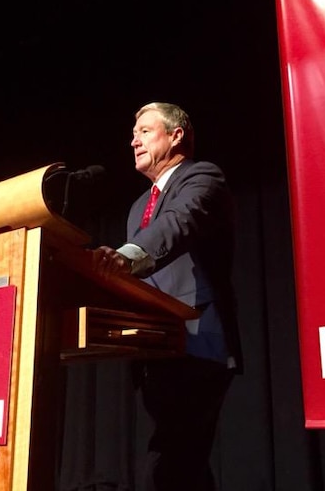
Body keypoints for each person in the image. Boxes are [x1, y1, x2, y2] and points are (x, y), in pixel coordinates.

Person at [91, 102, 243, 491]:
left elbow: (179, 223)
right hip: (155, 349)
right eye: (133, 133)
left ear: (176, 135)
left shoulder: (202, 177)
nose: (133, 140)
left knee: (171, 461)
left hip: (198, 338)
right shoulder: (138, 207)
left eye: (144, 130)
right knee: (183, 463)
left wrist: (125, 258)